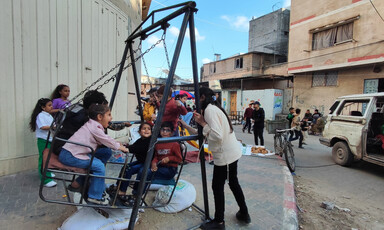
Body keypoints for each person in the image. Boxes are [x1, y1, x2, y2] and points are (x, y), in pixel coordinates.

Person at [194, 87, 251, 229]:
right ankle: (244, 213)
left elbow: (216, 135)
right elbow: (206, 133)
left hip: (225, 156)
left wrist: (202, 123)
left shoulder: (209, 110)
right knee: (233, 183)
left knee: (217, 187)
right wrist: (188, 124)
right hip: (231, 153)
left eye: (197, 98)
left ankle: (219, 222)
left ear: (201, 97)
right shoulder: (213, 108)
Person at [59, 104, 128, 205]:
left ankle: (79, 183)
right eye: (109, 115)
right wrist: (120, 147)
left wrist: (117, 144)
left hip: (74, 152)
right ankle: (95, 196)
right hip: (71, 155)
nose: (111, 117)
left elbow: (103, 139)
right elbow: (106, 139)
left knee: (105, 153)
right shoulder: (94, 127)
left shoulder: (93, 125)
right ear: (100, 117)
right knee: (99, 167)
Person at [131, 121, 182, 198]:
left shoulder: (174, 144)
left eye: (167, 130)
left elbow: (179, 159)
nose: (164, 132)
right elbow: (156, 156)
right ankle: (135, 193)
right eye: (163, 130)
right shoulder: (158, 143)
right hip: (160, 166)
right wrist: (154, 163)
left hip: (170, 169)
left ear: (171, 133)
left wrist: (169, 158)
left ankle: (139, 196)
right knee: (142, 170)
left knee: (147, 173)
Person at [115, 122, 153, 204]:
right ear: (139, 132)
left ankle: (123, 191)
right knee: (126, 167)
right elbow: (133, 146)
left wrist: (126, 149)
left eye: (149, 129)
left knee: (131, 169)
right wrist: (125, 146)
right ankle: (118, 186)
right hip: (141, 161)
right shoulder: (140, 140)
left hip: (147, 163)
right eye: (144, 129)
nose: (146, 130)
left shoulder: (150, 141)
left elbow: (138, 149)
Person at [29, 98, 57, 188]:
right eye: (49, 105)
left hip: (50, 139)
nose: (51, 107)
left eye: (51, 105)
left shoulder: (49, 115)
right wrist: (53, 127)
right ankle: (45, 180)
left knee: (49, 158)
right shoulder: (41, 116)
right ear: (43, 107)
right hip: (43, 140)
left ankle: (47, 172)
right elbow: (42, 127)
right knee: (44, 159)